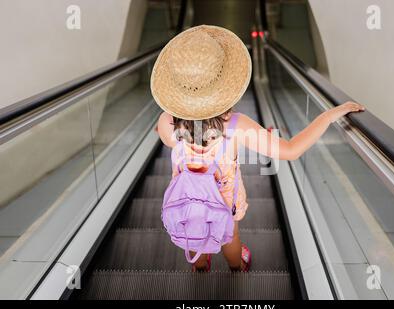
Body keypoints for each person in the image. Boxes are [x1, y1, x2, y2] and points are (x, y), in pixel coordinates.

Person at [151, 25, 365, 272]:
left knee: (194, 229)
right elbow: (291, 150)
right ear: (224, 91)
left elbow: (168, 140)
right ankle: (236, 266)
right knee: (229, 234)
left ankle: (199, 265)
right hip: (225, 202)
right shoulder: (235, 126)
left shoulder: (167, 121)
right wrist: (328, 116)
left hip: (185, 200)